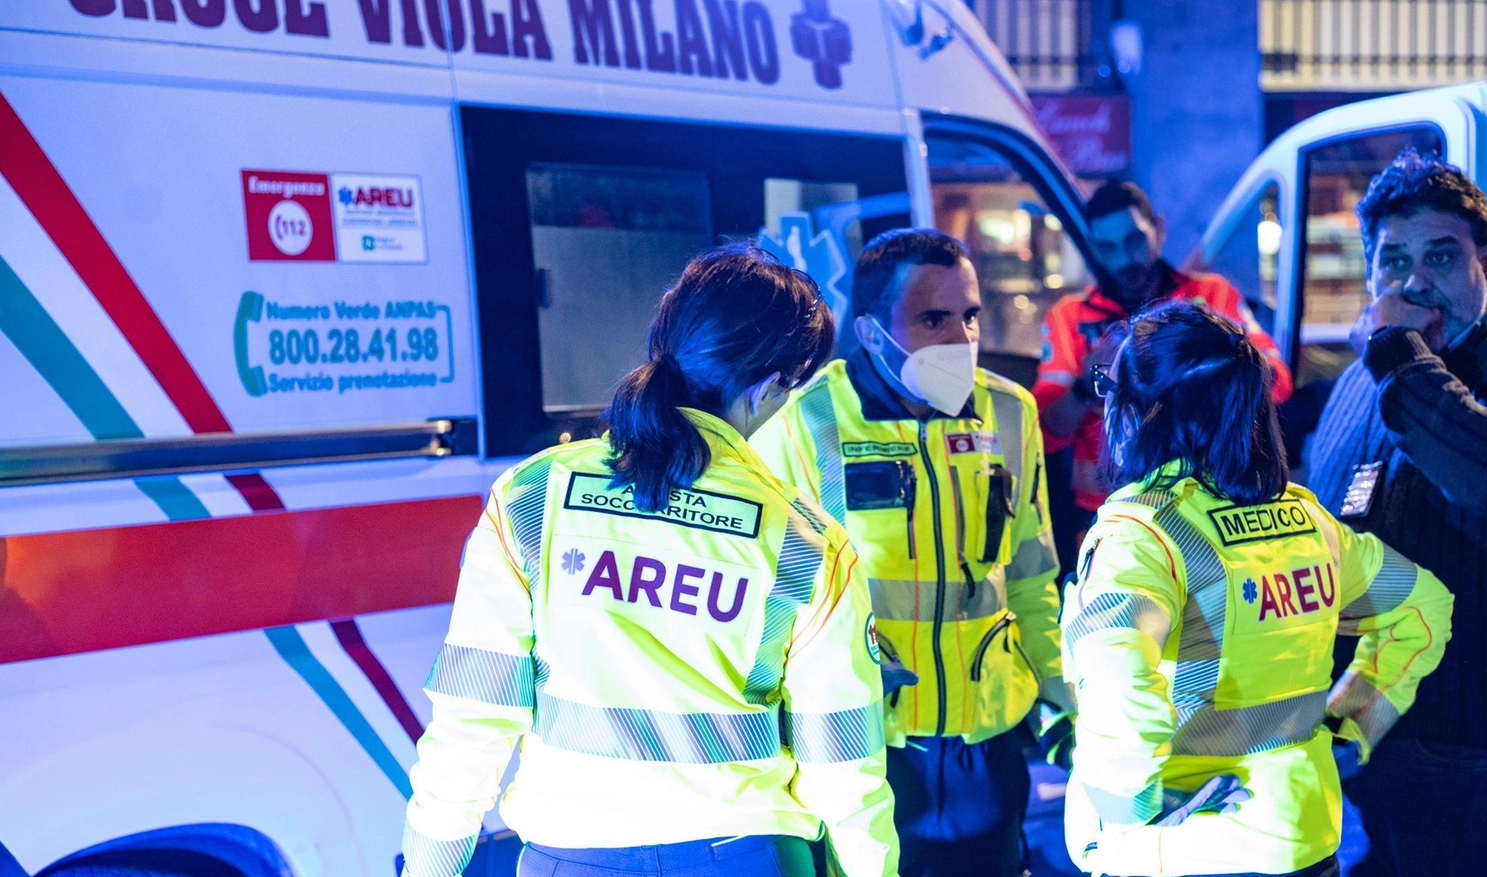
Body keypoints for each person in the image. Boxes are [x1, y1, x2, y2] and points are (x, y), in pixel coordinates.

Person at [400, 245, 899, 877]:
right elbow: (843, 766)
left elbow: (471, 720)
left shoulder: (532, 498)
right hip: (748, 857)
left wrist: (429, 867)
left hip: (570, 858)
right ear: (770, 385)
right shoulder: (807, 542)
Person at [1060, 301, 1453, 877]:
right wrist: (1355, 722)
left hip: (1184, 847)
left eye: (1109, 387)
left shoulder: (1142, 537)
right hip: (1302, 838)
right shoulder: (1309, 524)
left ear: (1144, 412)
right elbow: (1423, 606)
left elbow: (1117, 674)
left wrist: (1128, 812)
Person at [751, 228, 1067, 877]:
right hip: (868, 743)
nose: (961, 338)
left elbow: (1034, 577)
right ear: (869, 332)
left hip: (988, 739)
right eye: (932, 318)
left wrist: (1065, 705)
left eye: (970, 315)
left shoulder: (1010, 412)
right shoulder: (804, 423)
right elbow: (771, 605)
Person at [1307, 148, 1487, 877]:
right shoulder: (1369, 372)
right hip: (1360, 736)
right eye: (1393, 261)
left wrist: (1396, 352)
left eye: (1441, 257)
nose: (1414, 282)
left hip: (1471, 750)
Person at [1034, 182, 1293, 560]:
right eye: (1107, 247)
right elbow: (1044, 430)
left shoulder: (1211, 298)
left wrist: (1203, 368)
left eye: (1134, 239)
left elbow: (1277, 382)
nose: (1125, 259)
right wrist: (1086, 388)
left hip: (1213, 500)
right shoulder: (1069, 318)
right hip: (1108, 514)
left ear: (1159, 228)